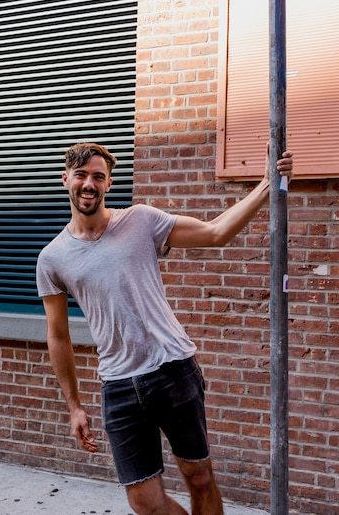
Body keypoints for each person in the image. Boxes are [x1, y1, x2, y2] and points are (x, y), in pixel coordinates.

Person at [36, 143, 293, 515]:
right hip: (119, 385)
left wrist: (268, 182)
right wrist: (74, 406)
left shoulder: (140, 220)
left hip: (172, 369)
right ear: (66, 180)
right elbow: (58, 335)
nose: (88, 184)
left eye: (97, 176)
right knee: (144, 502)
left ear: (108, 183)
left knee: (199, 476)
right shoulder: (51, 258)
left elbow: (215, 232)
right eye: (81, 175)